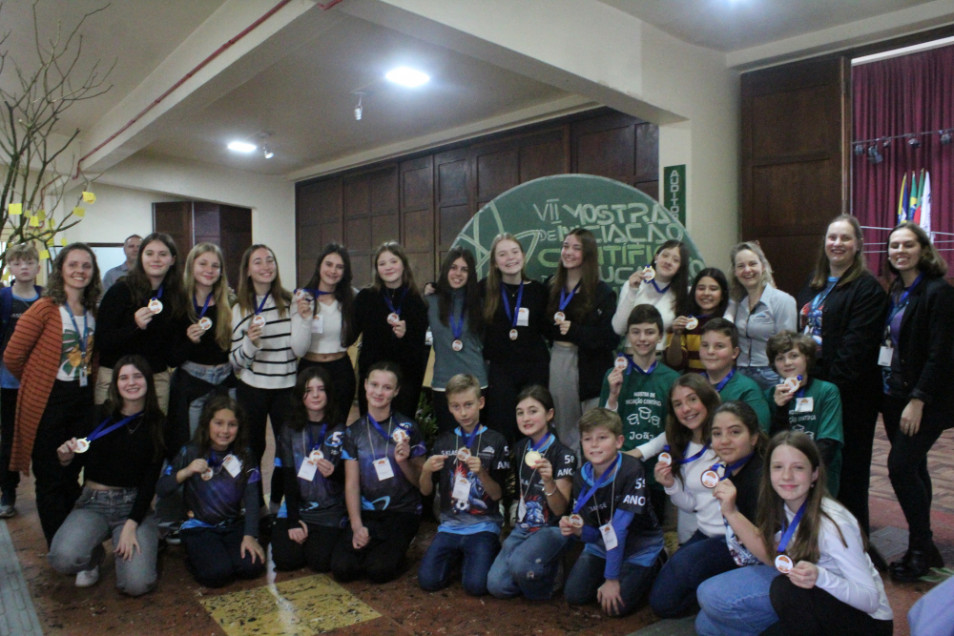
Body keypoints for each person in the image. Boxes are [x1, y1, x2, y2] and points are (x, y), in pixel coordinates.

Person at [696, 431, 892, 636]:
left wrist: (820, 576)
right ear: (768, 472)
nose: (787, 476)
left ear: (814, 474)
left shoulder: (833, 525)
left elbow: (870, 600)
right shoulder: (780, 504)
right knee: (706, 626)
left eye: (798, 468)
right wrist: (730, 511)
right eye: (778, 467)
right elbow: (773, 554)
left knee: (785, 589)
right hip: (816, 600)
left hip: (867, 622)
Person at [795, 215, 888, 552]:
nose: (837, 243)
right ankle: (816, 537)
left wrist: (823, 391)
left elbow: (855, 350)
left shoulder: (867, 289)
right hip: (811, 392)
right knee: (816, 466)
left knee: (850, 473)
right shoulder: (814, 283)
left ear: (858, 245)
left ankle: (857, 544)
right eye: (832, 237)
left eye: (845, 238)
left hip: (849, 397)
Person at [4, 243, 101, 546]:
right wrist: (38, 381)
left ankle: (76, 542)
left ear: (93, 272)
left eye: (86, 266)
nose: (79, 271)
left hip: (82, 400)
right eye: (73, 265)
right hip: (49, 403)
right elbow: (12, 356)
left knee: (73, 471)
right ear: (60, 269)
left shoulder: (92, 309)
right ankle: (59, 546)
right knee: (50, 477)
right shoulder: (45, 308)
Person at [48, 355, 164, 594]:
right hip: (93, 503)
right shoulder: (98, 415)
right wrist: (66, 457)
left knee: (136, 585)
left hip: (133, 505)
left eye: (137, 376)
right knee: (63, 559)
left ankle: (139, 542)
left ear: (148, 382)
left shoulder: (158, 423)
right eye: (123, 377)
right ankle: (94, 556)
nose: (131, 383)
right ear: (115, 384)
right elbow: (76, 458)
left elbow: (150, 479)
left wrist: (132, 523)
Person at [880, 221, 954, 581]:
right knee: (915, 467)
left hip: (924, 400)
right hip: (894, 395)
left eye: (907, 245)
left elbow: (942, 354)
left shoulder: (938, 292)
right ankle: (926, 545)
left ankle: (920, 548)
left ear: (923, 250)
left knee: (899, 466)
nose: (900, 251)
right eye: (894, 246)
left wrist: (919, 399)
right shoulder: (896, 289)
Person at [649, 400, 764, 617]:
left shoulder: (760, 478)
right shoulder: (728, 466)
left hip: (745, 550)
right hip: (713, 536)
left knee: (667, 601)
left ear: (754, 437)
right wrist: (670, 485)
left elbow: (762, 547)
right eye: (717, 434)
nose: (724, 441)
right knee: (664, 592)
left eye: (735, 432)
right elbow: (691, 505)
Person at [560, 408, 665, 617]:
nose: (594, 445)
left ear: (618, 442)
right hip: (603, 545)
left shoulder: (632, 470)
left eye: (602, 438)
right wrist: (578, 531)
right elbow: (594, 533)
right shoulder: (581, 476)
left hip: (639, 548)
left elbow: (618, 529)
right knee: (574, 595)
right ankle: (615, 570)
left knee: (616, 608)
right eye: (587, 439)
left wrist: (611, 579)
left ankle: (657, 562)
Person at [156, 395, 266, 588]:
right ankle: (196, 556)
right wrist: (186, 472)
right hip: (199, 527)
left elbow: (251, 496)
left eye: (232, 424)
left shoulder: (245, 454)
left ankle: (224, 552)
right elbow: (162, 488)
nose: (225, 430)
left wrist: (250, 535)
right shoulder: (190, 451)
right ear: (207, 423)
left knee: (252, 567)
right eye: (219, 423)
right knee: (216, 574)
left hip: (232, 524)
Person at [230, 244, 308, 511]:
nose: (266, 266)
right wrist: (250, 344)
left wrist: (305, 318)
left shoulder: (290, 303)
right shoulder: (239, 308)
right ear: (248, 271)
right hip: (252, 389)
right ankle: (255, 508)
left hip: (286, 388)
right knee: (253, 449)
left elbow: (300, 349)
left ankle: (275, 505)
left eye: (270, 260)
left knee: (286, 452)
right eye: (258, 262)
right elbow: (235, 362)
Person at [331, 361, 426, 583]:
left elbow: (420, 484)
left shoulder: (408, 428)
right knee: (342, 569)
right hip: (368, 512)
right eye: (374, 384)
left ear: (396, 391)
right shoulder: (353, 432)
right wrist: (356, 526)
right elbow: (352, 484)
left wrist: (403, 461)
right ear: (365, 385)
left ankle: (400, 546)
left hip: (402, 511)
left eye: (386, 387)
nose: (379, 392)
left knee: (379, 571)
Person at [418, 374, 509, 595]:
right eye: (456, 406)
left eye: (468, 405)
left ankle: (481, 552)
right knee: (428, 582)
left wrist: (482, 473)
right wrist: (426, 470)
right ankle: (462, 556)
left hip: (483, 526)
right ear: (449, 408)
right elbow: (426, 490)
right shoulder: (444, 441)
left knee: (476, 587)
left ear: (481, 402)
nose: (464, 412)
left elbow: (497, 495)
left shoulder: (495, 441)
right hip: (450, 525)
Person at [487, 385, 576, 600]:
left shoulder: (564, 455)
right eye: (520, 412)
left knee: (520, 566)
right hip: (524, 528)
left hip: (553, 529)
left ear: (549, 414)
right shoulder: (520, 448)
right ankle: (532, 569)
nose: (526, 418)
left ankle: (547, 576)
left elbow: (560, 508)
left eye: (533, 411)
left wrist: (548, 481)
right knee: (496, 586)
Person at [601, 304, 678, 521]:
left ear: (660, 336)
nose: (642, 338)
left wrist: (639, 453)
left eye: (649, 332)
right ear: (628, 336)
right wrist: (613, 397)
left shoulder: (671, 379)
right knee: (616, 529)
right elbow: (604, 426)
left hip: (655, 470)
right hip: (618, 468)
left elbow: (674, 429)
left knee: (650, 532)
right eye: (636, 332)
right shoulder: (613, 375)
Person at [97, 232, 188, 412]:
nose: (156, 259)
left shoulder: (176, 298)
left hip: (156, 380)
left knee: (153, 437)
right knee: (109, 437)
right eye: (149, 253)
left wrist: (190, 340)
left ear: (172, 260)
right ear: (141, 257)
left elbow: (172, 357)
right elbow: (103, 341)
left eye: (163, 254)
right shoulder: (120, 291)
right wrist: (134, 326)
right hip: (116, 378)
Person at [546, 228, 617, 453]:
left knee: (593, 427)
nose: (568, 252)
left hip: (592, 365)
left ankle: (594, 477)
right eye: (566, 246)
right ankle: (569, 477)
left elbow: (609, 338)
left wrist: (575, 331)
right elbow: (542, 325)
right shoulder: (551, 286)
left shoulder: (602, 292)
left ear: (588, 254)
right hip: (559, 360)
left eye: (576, 248)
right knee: (564, 425)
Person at [271, 367, 347, 573]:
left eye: (321, 389)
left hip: (329, 510)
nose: (315, 394)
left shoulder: (340, 429)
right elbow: (286, 475)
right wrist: (294, 520)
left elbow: (349, 478)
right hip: (297, 507)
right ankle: (302, 531)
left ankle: (320, 536)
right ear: (299, 395)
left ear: (328, 394)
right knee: (285, 560)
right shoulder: (289, 429)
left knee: (320, 562)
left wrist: (335, 472)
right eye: (308, 389)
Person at [480, 233, 550, 444]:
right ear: (494, 262)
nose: (510, 258)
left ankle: (532, 472)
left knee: (533, 428)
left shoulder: (538, 290)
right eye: (502, 254)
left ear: (523, 256)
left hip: (534, 369)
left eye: (514, 252)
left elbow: (548, 328)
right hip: (501, 371)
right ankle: (504, 476)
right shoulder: (483, 289)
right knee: (502, 427)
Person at [167, 242, 235, 454]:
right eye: (203, 263)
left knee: (226, 443)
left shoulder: (230, 302)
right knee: (193, 445)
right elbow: (171, 358)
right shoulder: (178, 303)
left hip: (225, 380)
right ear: (191, 266)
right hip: (192, 382)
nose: (209, 270)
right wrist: (189, 341)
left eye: (215, 266)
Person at [353, 242, 428, 418]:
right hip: (373, 380)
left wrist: (406, 335)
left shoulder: (417, 301)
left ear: (403, 264)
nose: (388, 267)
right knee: (371, 431)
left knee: (400, 434)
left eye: (393, 261)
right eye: (382, 263)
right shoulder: (366, 298)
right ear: (376, 269)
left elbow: (419, 349)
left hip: (405, 381)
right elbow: (350, 333)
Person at [766, 331, 843, 496]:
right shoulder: (770, 395)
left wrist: (806, 471)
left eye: (794, 356)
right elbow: (774, 441)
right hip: (785, 475)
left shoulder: (827, 391)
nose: (787, 362)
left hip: (821, 471)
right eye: (780, 358)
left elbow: (829, 441)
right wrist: (780, 408)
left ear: (807, 358)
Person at [0, 243, 43, 518]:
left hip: (40, 380)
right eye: (18, 263)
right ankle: (8, 490)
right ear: (10, 268)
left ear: (38, 267)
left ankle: (46, 490)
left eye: (29, 262)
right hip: (8, 381)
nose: (24, 267)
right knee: (9, 438)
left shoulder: (47, 297)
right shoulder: (3, 298)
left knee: (43, 437)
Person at [427, 248, 486, 434]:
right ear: (445, 270)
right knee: (448, 442)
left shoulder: (480, 302)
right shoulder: (430, 302)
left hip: (476, 382)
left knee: (476, 442)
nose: (458, 273)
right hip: (443, 382)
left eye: (464, 269)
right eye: (453, 267)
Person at [296, 243, 358, 418]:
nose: (333, 271)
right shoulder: (302, 298)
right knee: (308, 426)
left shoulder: (351, 298)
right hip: (310, 368)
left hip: (340, 370)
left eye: (339, 267)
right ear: (319, 266)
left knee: (336, 428)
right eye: (329, 264)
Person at [727, 242, 797, 390]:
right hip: (740, 373)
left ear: (763, 266)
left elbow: (788, 346)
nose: (747, 270)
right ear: (734, 271)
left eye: (753, 264)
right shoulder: (737, 303)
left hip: (770, 374)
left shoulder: (783, 301)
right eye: (741, 266)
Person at [612, 240, 690, 347]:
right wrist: (632, 291)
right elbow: (618, 329)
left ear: (680, 268)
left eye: (675, 260)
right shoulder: (633, 285)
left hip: (663, 358)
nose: (668, 261)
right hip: (633, 356)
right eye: (665, 255)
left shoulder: (683, 294)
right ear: (656, 257)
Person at [699, 319, 771, 430]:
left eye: (719, 346)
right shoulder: (693, 384)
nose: (710, 351)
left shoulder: (748, 390)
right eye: (705, 345)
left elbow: (760, 434)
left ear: (734, 353)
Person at [664, 267, 731, 372]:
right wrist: (676, 335)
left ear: (722, 295)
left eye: (713, 289)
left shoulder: (729, 322)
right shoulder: (682, 321)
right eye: (701, 288)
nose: (706, 293)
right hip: (691, 383)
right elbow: (674, 364)